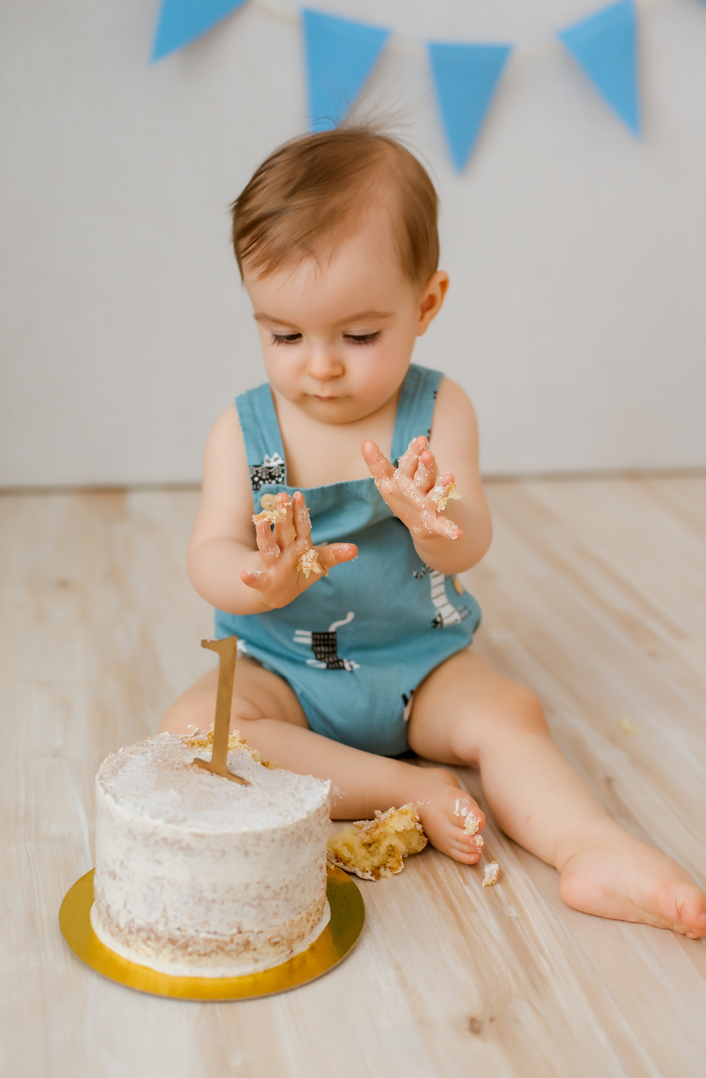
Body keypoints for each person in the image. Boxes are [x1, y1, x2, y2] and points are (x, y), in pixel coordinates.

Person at [160, 127, 706, 938]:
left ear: (425, 304)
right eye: (284, 335)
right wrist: (255, 579)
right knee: (191, 733)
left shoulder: (436, 411)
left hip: (421, 662)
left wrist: (432, 525)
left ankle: (587, 846)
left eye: (357, 336)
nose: (319, 367)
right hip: (282, 668)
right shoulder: (243, 434)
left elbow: (468, 541)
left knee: (509, 712)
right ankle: (402, 788)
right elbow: (208, 550)